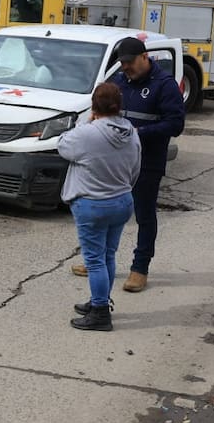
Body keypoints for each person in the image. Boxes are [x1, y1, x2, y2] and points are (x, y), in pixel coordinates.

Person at [71, 36, 185, 291]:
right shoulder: (119, 81)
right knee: (107, 214)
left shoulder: (164, 85)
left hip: (147, 161)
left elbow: (176, 125)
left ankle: (140, 268)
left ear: (145, 57)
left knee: (144, 215)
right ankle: (96, 261)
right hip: (115, 163)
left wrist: (137, 133)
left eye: (130, 63)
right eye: (122, 64)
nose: (126, 68)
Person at [59, 83, 140, 332]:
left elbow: (63, 146)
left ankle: (101, 314)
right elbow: (135, 169)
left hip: (92, 204)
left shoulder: (87, 133)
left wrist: (86, 121)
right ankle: (99, 300)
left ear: (94, 107)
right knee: (108, 255)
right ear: (119, 107)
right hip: (122, 201)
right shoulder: (132, 133)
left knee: (94, 261)